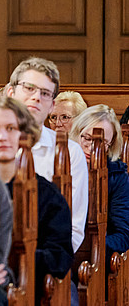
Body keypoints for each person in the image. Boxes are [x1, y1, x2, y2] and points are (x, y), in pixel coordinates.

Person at [0, 57, 88, 252]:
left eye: (45, 93)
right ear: (10, 92)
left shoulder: (69, 153)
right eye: (29, 88)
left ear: (51, 106)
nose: (36, 97)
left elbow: (73, 231)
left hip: (45, 268)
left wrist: (27, 268)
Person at [0, 96, 74, 303]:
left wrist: (10, 263)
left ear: (24, 134)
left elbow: (60, 256)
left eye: (11, 128)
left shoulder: (48, 196)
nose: (2, 137)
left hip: (28, 291)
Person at [70, 104, 129, 261]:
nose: (91, 147)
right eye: (87, 138)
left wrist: (90, 246)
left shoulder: (118, 176)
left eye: (101, 142)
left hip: (97, 258)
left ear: (110, 146)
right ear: (77, 133)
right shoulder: (60, 165)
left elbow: (123, 234)